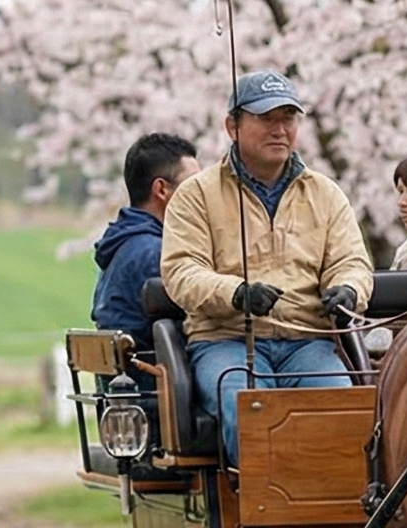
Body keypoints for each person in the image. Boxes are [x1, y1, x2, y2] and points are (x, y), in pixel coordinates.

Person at [159, 71, 376, 459]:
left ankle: (343, 517)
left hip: (307, 341)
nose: (280, 129)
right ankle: (258, 515)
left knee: (342, 407)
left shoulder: (326, 193)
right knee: (246, 406)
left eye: (288, 119)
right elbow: (181, 271)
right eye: (266, 119)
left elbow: (352, 262)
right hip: (226, 340)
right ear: (232, 126)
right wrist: (236, 293)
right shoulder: (196, 195)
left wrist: (349, 289)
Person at [91, 132, 198, 336]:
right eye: (194, 185)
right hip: (153, 366)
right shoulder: (154, 253)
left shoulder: (123, 243)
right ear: (161, 189)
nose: (203, 194)